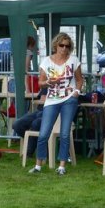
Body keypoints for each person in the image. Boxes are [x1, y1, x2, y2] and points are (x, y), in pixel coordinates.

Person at [29, 32, 83, 176]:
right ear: (55, 45)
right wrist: (47, 82)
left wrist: (76, 92)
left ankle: (62, 166)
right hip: (52, 99)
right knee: (43, 133)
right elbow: (40, 83)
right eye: (61, 45)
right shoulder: (46, 61)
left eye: (67, 46)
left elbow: (79, 79)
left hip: (69, 98)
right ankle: (38, 165)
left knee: (65, 133)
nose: (64, 48)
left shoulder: (74, 60)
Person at [12, 89, 47, 157]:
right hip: (40, 110)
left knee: (35, 124)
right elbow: (42, 98)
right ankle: (33, 143)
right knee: (17, 124)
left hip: (52, 113)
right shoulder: (48, 82)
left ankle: (29, 151)